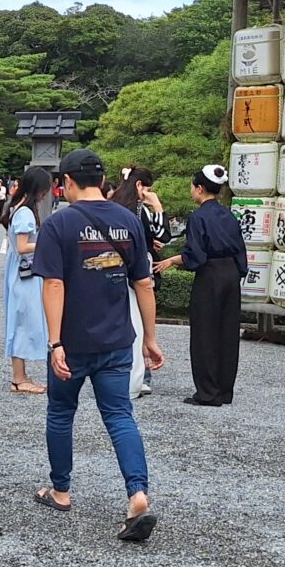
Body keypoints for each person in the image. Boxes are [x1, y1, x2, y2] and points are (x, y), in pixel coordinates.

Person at [31, 148, 165, 544]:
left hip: (73, 342)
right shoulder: (128, 220)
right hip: (117, 339)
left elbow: (53, 284)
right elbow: (143, 282)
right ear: (103, 180)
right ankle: (137, 493)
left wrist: (55, 342)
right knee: (120, 415)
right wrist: (151, 339)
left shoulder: (59, 224)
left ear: (68, 182)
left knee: (60, 412)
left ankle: (61, 490)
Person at [159, 164, 249, 407]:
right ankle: (224, 390)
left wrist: (175, 260)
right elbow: (241, 250)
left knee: (205, 333)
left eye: (192, 186)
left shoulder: (198, 217)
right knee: (228, 333)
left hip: (210, 276)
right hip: (230, 273)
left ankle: (207, 392)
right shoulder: (229, 215)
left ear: (199, 189)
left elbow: (196, 255)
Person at [110, 169, 169, 397]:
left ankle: (116, 374)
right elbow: (163, 235)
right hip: (139, 272)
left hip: (113, 270)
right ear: (139, 186)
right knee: (142, 322)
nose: (148, 192)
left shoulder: (112, 205)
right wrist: (158, 206)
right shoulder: (139, 210)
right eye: (147, 188)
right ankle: (141, 375)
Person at [2, 165, 51, 394]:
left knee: (20, 321)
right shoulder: (25, 213)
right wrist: (49, 243)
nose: (44, 195)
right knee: (22, 322)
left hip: (21, 272)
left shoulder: (18, 208)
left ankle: (20, 376)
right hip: (25, 274)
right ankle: (19, 378)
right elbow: (23, 247)